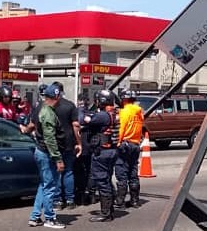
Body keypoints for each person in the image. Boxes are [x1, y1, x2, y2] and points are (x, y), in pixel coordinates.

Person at [28, 84, 66, 229]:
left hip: (41, 151)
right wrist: (58, 158)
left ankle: (35, 216)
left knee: (44, 185)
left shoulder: (43, 110)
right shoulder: (48, 113)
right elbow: (50, 138)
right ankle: (50, 218)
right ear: (56, 97)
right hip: (47, 153)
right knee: (50, 187)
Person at [86, 89, 120, 222]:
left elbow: (85, 120)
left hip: (103, 152)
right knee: (106, 180)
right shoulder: (113, 113)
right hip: (111, 151)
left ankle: (106, 213)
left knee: (102, 181)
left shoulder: (103, 116)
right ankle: (109, 209)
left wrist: (84, 111)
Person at [51, 81, 82, 210]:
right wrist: (79, 143)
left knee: (57, 172)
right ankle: (70, 200)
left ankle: (58, 201)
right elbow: (76, 126)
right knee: (68, 171)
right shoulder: (70, 106)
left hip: (54, 142)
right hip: (68, 142)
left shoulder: (48, 105)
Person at [115, 89, 144, 209]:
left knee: (122, 172)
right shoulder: (139, 111)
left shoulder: (125, 112)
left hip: (125, 143)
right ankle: (135, 200)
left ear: (124, 99)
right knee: (133, 172)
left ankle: (120, 201)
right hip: (135, 144)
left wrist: (118, 142)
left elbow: (122, 128)